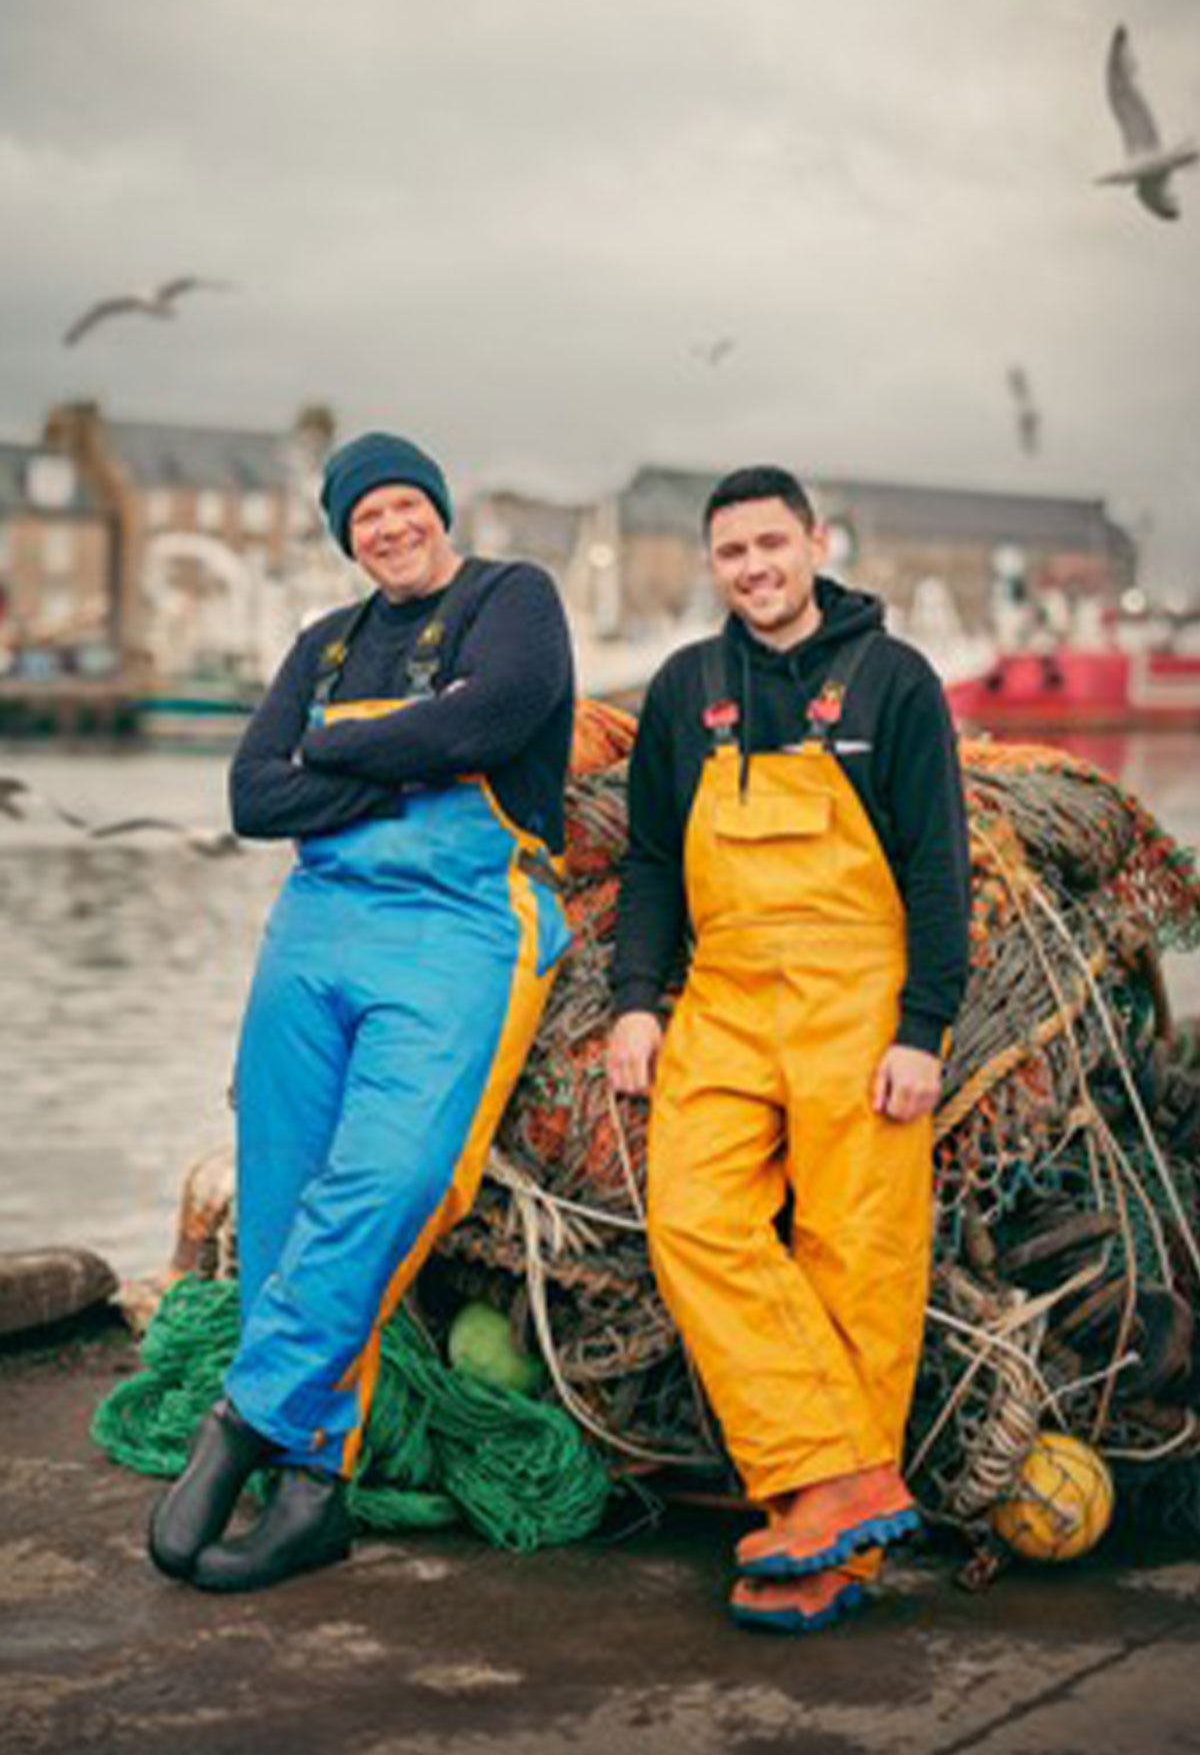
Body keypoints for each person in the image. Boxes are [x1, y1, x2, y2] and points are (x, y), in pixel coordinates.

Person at [149, 431, 574, 1592]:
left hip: (463, 923)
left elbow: (493, 721)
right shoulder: (322, 642)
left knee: (392, 1179)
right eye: (363, 519)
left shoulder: (511, 599)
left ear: (439, 507)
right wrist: (396, 758)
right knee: (284, 1192)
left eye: (402, 506)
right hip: (316, 926)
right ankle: (312, 1486)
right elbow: (252, 792)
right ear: (346, 538)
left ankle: (242, 1422)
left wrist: (331, 752)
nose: (388, 529)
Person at [606, 465, 970, 1635]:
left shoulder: (896, 682)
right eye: (732, 554)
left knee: (854, 1249)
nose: (755, 569)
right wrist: (635, 1000)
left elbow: (937, 870)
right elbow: (655, 861)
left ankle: (828, 1543)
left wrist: (925, 1028)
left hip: (858, 1001)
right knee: (694, 1216)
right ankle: (844, 1478)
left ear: (817, 542)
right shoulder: (685, 687)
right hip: (722, 995)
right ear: (714, 566)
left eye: (773, 544)